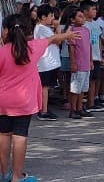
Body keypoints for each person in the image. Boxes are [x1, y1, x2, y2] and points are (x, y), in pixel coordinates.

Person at [0, 14, 79, 182]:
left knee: (4, 135)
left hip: (3, 101)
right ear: (28, 32)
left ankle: (5, 173)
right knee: (20, 136)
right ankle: (17, 176)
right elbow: (52, 39)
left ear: (6, 31)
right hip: (24, 101)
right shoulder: (33, 48)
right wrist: (67, 35)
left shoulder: (2, 52)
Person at [33, 5, 61, 121]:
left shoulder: (46, 28)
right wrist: (58, 27)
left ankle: (44, 108)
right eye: (51, 16)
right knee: (44, 87)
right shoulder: (41, 28)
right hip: (45, 63)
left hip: (50, 62)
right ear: (43, 17)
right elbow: (57, 40)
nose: (52, 18)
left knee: (47, 87)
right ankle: (43, 111)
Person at [66, 7, 93, 119]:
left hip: (86, 64)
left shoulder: (86, 30)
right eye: (79, 17)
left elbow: (89, 46)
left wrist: (91, 60)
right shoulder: (72, 31)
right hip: (79, 63)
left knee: (82, 89)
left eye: (83, 16)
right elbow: (71, 48)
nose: (82, 19)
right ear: (73, 19)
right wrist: (73, 62)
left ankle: (80, 107)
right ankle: (73, 109)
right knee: (75, 88)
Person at [80, 0, 104, 113]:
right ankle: (80, 105)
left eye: (95, 9)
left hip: (96, 56)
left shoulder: (95, 24)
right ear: (85, 11)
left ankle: (91, 103)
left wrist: (100, 55)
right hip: (86, 58)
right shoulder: (83, 25)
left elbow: (99, 39)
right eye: (93, 9)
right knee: (86, 81)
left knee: (94, 80)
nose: (95, 11)